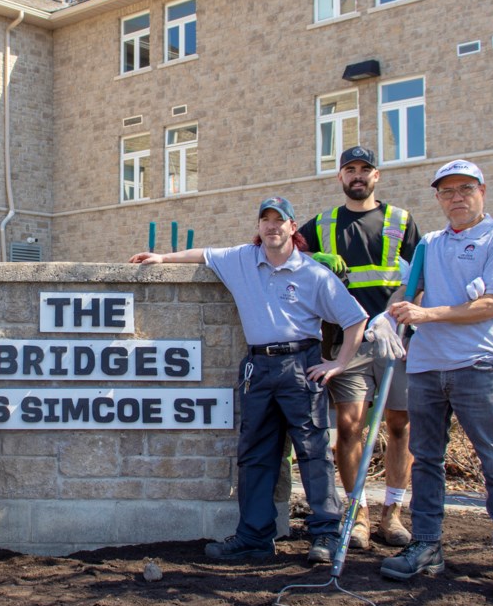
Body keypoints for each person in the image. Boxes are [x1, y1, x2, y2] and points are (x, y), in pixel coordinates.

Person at [129, 196, 368, 564]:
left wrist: (338, 363)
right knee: (255, 454)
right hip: (258, 368)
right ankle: (254, 536)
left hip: (300, 366)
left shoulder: (313, 273)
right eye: (265, 220)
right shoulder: (242, 259)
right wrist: (163, 258)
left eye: (280, 220)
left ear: (293, 227)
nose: (272, 226)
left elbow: (355, 318)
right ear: (259, 227)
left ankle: (325, 535)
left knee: (313, 452)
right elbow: (204, 255)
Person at [381, 160, 493, 603]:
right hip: (426, 366)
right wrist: (387, 317)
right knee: (425, 459)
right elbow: (410, 294)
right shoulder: (429, 243)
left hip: (477, 366)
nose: (456, 197)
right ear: (438, 199)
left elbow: (492, 305)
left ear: (482, 191)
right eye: (447, 192)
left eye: (465, 188)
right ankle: (427, 545)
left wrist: (428, 315)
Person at [298, 146, 422, 550]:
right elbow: (278, 250)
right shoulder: (322, 223)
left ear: (376, 176)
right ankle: (357, 514)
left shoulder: (401, 221)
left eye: (365, 169)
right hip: (346, 341)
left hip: (395, 338)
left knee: (400, 425)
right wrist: (313, 256)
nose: (357, 175)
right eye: (349, 169)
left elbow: (421, 275)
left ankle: (393, 513)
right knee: (350, 427)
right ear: (339, 177)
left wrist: (402, 314)